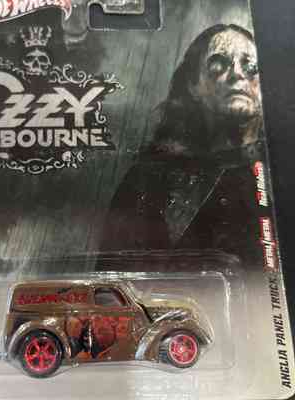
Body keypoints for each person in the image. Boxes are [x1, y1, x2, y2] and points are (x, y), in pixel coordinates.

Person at [97, 24, 267, 269]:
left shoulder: (277, 171)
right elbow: (117, 275)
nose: (238, 74)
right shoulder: (151, 178)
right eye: (218, 64)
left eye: (250, 66)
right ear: (192, 85)